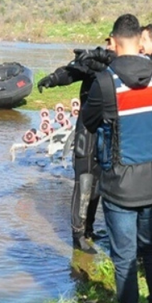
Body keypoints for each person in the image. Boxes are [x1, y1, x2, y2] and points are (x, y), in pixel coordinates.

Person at [81, 14, 152, 303]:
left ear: (115, 42)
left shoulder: (106, 82)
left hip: (119, 185)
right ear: (139, 40)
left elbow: (89, 121)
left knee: (125, 258)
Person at [36, 44, 115, 250]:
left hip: (108, 130)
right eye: (108, 42)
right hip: (87, 129)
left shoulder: (121, 65)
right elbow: (72, 72)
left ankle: (89, 228)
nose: (110, 46)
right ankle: (78, 234)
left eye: (113, 43)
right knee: (85, 178)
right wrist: (53, 79)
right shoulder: (95, 61)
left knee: (98, 181)